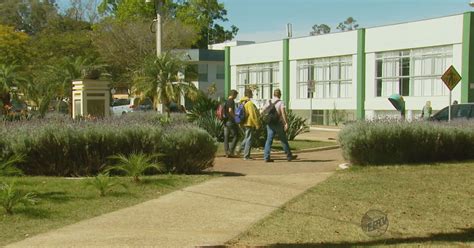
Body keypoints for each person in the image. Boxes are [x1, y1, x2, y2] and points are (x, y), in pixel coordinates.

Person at [262, 89, 297, 162]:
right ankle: (289, 155)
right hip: (277, 123)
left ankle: (266, 157)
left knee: (269, 140)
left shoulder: (269, 101)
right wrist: (286, 123)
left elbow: (262, 110)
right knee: (283, 139)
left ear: (273, 94)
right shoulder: (281, 102)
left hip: (270, 123)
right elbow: (283, 113)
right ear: (280, 95)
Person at [239, 89, 260, 160]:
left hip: (243, 122)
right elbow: (252, 115)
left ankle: (239, 149)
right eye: (252, 93)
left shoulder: (242, 102)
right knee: (249, 139)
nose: (253, 95)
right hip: (249, 123)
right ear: (249, 94)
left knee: (247, 137)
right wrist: (257, 124)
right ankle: (246, 156)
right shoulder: (249, 103)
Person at [223, 90, 239, 158]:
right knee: (236, 135)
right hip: (230, 121)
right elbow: (230, 110)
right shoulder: (231, 101)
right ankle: (231, 151)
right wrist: (235, 117)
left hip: (225, 121)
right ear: (234, 95)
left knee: (226, 137)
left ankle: (227, 152)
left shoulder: (226, 101)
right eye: (236, 95)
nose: (236, 97)